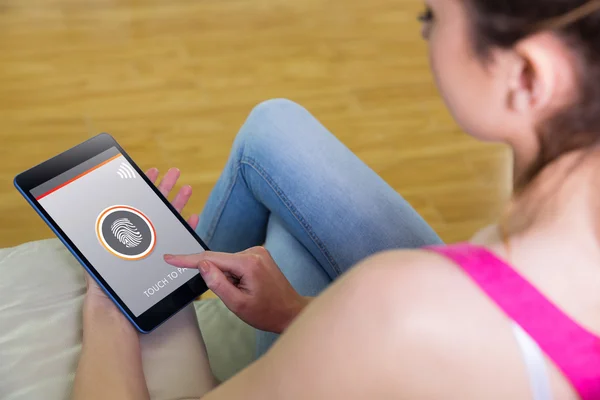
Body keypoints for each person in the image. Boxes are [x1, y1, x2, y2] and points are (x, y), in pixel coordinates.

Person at [72, 0, 600, 398]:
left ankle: (158, 298)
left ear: (528, 76)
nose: (424, 33)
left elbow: (400, 322)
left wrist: (109, 306)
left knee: (289, 240)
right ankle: (179, 287)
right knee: (274, 130)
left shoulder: (398, 305)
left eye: (432, 17)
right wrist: (298, 314)